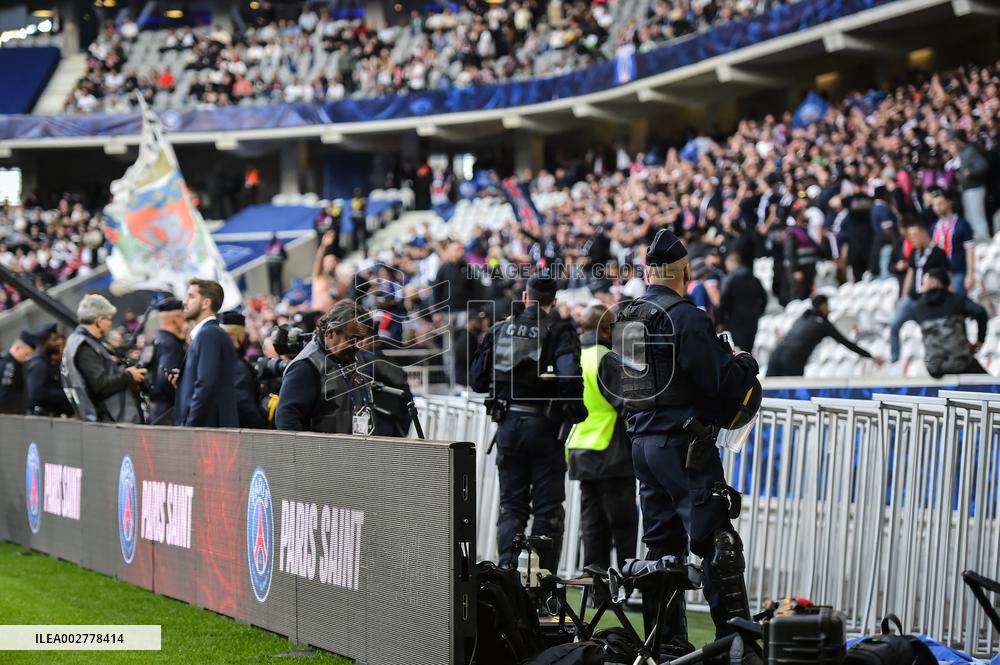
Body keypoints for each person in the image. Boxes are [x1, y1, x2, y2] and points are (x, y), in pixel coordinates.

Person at [611, 229, 759, 658]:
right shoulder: (686, 317)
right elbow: (717, 382)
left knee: (662, 550)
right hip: (683, 446)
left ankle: (665, 646)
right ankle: (736, 647)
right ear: (685, 272)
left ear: (648, 273)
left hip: (643, 445)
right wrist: (744, 364)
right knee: (718, 543)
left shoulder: (627, 318)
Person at [468, 273, 587, 572]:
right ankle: (540, 585)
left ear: (525, 297)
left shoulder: (500, 330)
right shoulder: (560, 331)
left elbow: (477, 381)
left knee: (512, 506)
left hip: (508, 426)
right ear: (553, 302)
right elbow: (570, 378)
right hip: (545, 428)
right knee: (547, 510)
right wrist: (574, 412)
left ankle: (508, 577)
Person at [565, 304, 637, 572]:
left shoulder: (576, 357)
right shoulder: (606, 358)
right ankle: (628, 584)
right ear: (608, 329)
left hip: (581, 450)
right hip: (611, 451)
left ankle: (595, 586)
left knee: (592, 525)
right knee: (624, 526)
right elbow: (627, 405)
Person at [275, 300, 380, 434]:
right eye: (353, 339)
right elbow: (287, 420)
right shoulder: (306, 366)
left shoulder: (352, 356)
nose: (358, 345)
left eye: (361, 339)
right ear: (330, 332)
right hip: (322, 447)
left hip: (355, 445)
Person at [62, 294, 147, 423]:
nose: (110, 323)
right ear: (99, 320)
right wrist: (129, 375)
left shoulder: (79, 341)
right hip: (108, 420)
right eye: (109, 319)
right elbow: (100, 385)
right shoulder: (85, 347)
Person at [767, 294, 886, 377]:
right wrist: (871, 356)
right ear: (823, 306)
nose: (829, 309)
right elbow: (846, 343)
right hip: (793, 359)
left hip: (776, 355)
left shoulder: (802, 318)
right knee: (790, 397)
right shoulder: (822, 323)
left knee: (767, 398)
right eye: (827, 306)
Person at [175, 279, 239, 428]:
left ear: (205, 303)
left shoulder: (208, 335)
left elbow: (205, 385)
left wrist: (189, 426)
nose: (184, 302)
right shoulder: (209, 334)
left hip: (207, 433)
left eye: (191, 296)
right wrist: (183, 379)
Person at [889, 217, 951, 364]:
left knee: (929, 330)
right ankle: (895, 359)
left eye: (914, 236)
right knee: (894, 325)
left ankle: (935, 358)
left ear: (923, 233)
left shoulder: (938, 253)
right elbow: (911, 273)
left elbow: (946, 276)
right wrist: (904, 295)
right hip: (912, 297)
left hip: (929, 298)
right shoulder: (915, 252)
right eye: (910, 236)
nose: (912, 240)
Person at [912, 269, 989, 377]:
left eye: (923, 283)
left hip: (933, 368)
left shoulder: (918, 307)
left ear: (935, 282)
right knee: (990, 383)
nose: (921, 286)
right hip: (960, 363)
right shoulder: (957, 300)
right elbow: (980, 312)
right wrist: (980, 340)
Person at [220, 310, 267, 429]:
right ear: (241, 337)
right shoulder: (237, 366)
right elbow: (243, 403)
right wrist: (262, 426)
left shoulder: (217, 360)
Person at [146, 298, 187, 426]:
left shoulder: (156, 339)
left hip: (155, 410)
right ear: (176, 319)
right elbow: (165, 379)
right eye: (183, 317)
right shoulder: (171, 345)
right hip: (167, 413)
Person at [718, 253, 768, 353]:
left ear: (733, 263)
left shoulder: (731, 280)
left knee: (739, 349)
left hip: (735, 319)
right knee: (749, 348)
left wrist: (721, 320)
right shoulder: (754, 279)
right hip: (752, 319)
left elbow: (724, 301)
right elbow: (764, 298)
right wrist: (758, 312)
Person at [930, 191, 976, 297]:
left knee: (956, 299)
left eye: (940, 203)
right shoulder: (934, 227)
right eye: (934, 205)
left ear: (949, 203)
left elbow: (970, 249)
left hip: (958, 271)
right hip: (940, 275)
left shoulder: (962, 224)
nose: (937, 208)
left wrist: (970, 274)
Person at [24, 323, 73, 416]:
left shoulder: (49, 362)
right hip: (45, 417)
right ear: (45, 342)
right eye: (54, 340)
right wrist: (66, 393)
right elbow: (38, 394)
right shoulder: (38, 365)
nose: (58, 343)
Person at [954, 129, 991, 241]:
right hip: (967, 189)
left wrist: (970, 172)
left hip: (975, 188)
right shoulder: (963, 151)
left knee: (978, 217)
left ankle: (986, 241)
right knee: (971, 218)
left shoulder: (970, 150)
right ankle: (979, 243)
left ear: (958, 140)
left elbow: (983, 165)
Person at [784, 200, 825, 300]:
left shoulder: (805, 230)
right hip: (800, 271)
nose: (805, 214)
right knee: (799, 296)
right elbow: (789, 253)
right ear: (798, 216)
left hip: (809, 270)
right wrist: (795, 270)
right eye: (803, 212)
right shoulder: (792, 232)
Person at [0, 330, 36, 415]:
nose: (27, 358)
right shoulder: (11, 366)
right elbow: (6, 395)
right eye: (26, 354)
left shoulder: (14, 364)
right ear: (17, 348)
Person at [265, 233, 287, 298]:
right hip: (275, 266)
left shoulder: (270, 246)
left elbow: (285, 256)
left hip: (273, 266)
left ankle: (276, 296)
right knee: (276, 281)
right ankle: (277, 296)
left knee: (274, 282)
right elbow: (285, 256)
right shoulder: (277, 246)